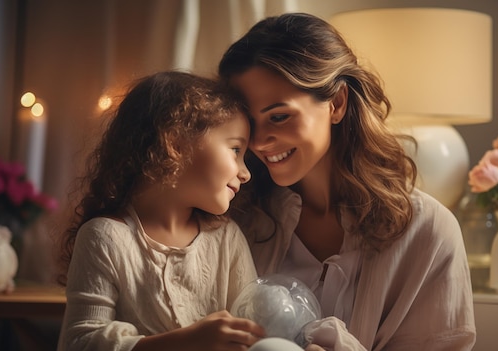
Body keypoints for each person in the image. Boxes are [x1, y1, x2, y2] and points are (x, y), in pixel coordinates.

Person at [218, 12, 476, 351]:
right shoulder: (235, 219)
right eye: (250, 123)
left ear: (337, 103)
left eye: (279, 116)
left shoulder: (428, 232)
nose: (260, 141)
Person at [56, 71, 265, 351]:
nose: (245, 172)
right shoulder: (104, 238)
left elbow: (255, 333)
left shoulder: (227, 238)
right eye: (235, 150)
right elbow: (78, 344)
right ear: (176, 143)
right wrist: (187, 342)